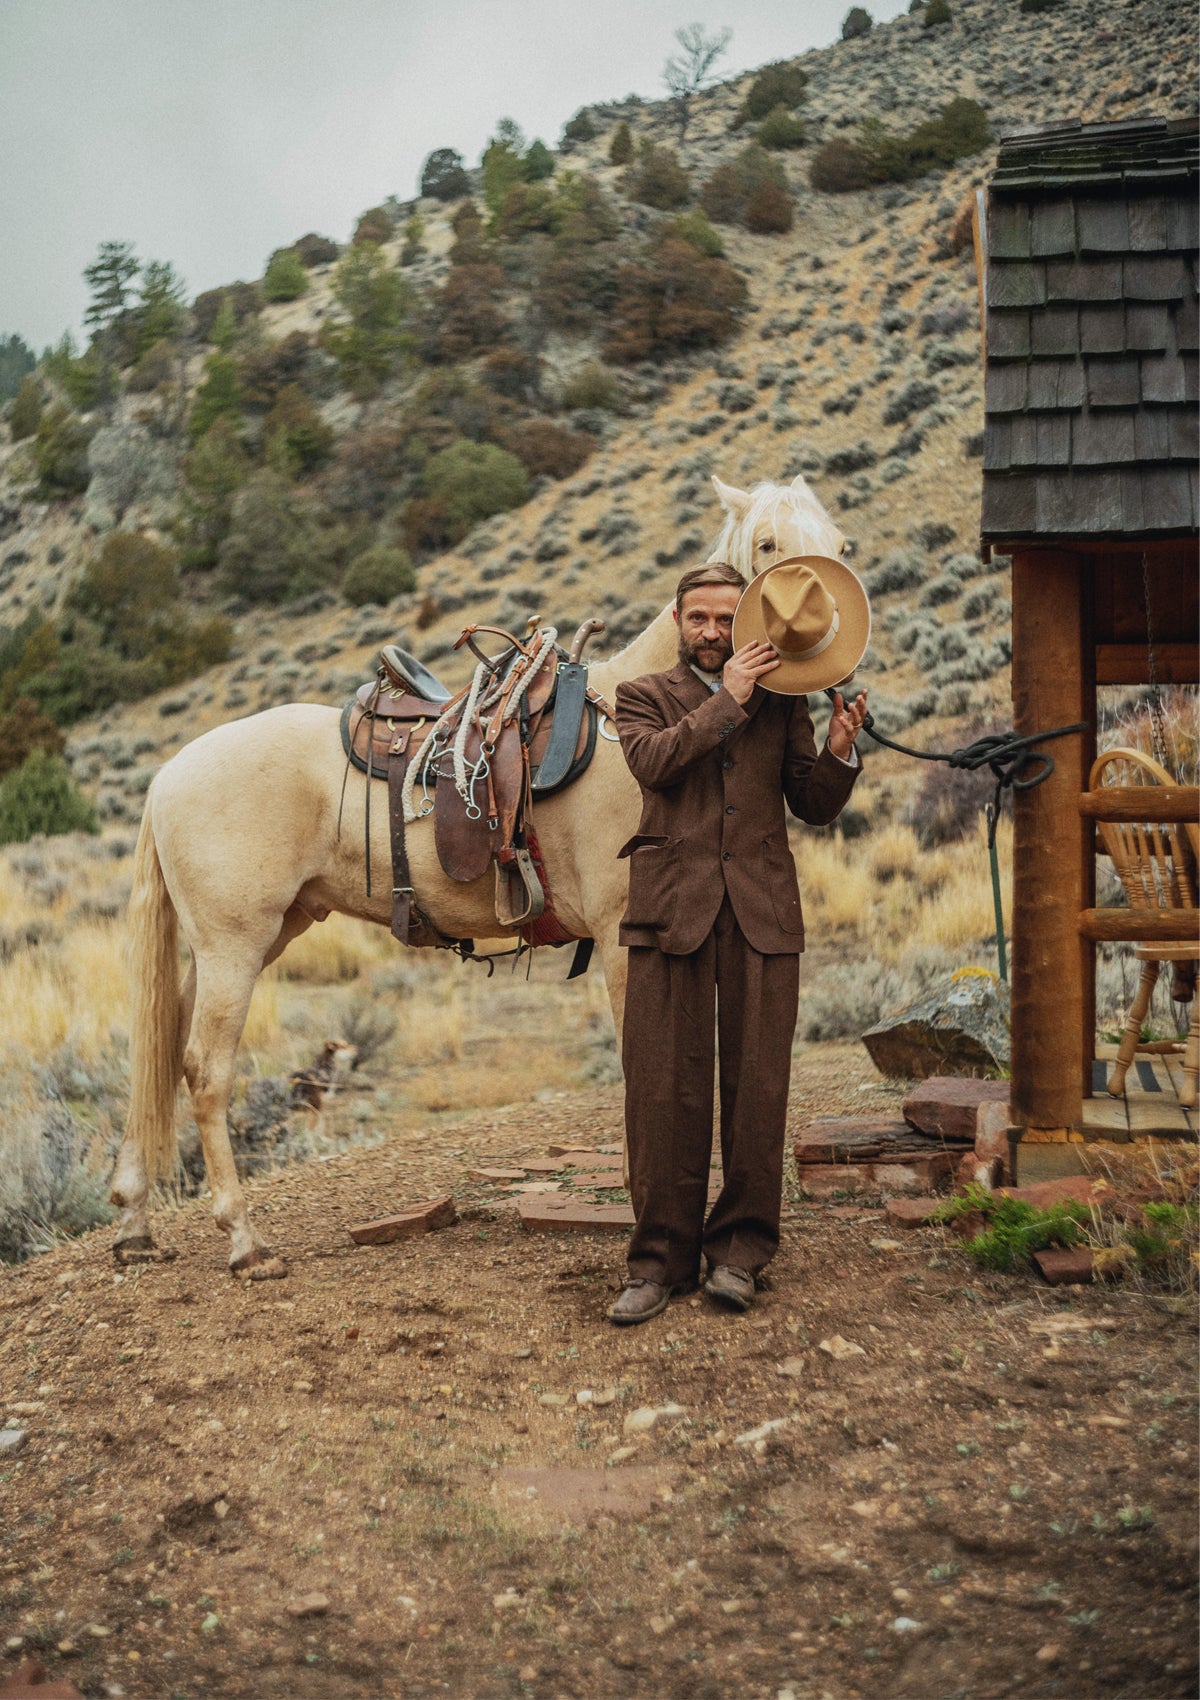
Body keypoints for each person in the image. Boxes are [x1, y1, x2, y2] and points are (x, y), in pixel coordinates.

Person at [608, 557, 870, 1324]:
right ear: (679, 622)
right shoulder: (640, 696)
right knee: (660, 1092)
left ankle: (742, 1255)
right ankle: (658, 1264)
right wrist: (731, 699)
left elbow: (813, 805)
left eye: (728, 618)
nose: (714, 631)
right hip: (670, 915)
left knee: (758, 1090)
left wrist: (841, 748)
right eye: (700, 618)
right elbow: (656, 764)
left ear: (747, 621)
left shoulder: (786, 704)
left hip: (761, 911)